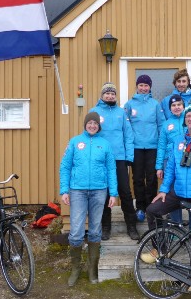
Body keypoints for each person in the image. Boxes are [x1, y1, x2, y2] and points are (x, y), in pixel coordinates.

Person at [142, 103, 191, 269]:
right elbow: (171, 167)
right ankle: (161, 249)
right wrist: (164, 190)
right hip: (178, 192)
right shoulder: (179, 141)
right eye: (188, 117)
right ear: (184, 121)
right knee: (152, 211)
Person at [59, 112, 118, 286]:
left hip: (99, 191)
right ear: (85, 124)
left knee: (94, 230)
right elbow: (65, 166)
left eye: (95, 123)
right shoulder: (75, 142)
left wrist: (113, 193)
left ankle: (92, 269)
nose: (92, 126)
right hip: (77, 191)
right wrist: (64, 190)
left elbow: (111, 170)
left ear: (99, 126)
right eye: (89, 123)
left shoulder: (105, 144)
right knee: (76, 231)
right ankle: (76, 269)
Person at [90, 82, 140, 240]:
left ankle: (131, 226)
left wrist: (129, 157)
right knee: (103, 193)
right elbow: (89, 134)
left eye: (113, 93)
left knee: (125, 192)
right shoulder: (94, 112)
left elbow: (128, 135)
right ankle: (105, 227)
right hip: (101, 159)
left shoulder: (121, 112)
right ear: (102, 95)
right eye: (107, 93)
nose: (110, 96)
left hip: (119, 159)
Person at [124, 75, 165, 222]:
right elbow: (126, 127)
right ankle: (140, 207)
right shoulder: (129, 105)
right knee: (138, 178)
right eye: (141, 85)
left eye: (146, 85)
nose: (143, 88)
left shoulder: (155, 104)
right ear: (137, 86)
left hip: (152, 147)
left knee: (152, 178)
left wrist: (161, 143)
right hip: (136, 147)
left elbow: (161, 125)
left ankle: (151, 207)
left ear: (150, 87)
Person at [155, 94, 185, 223]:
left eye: (179, 104)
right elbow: (161, 146)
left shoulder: (189, 119)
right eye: (173, 105)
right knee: (172, 192)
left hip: (187, 159)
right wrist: (159, 166)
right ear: (170, 108)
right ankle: (176, 223)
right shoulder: (166, 125)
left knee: (188, 189)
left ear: (183, 106)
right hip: (170, 161)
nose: (176, 107)